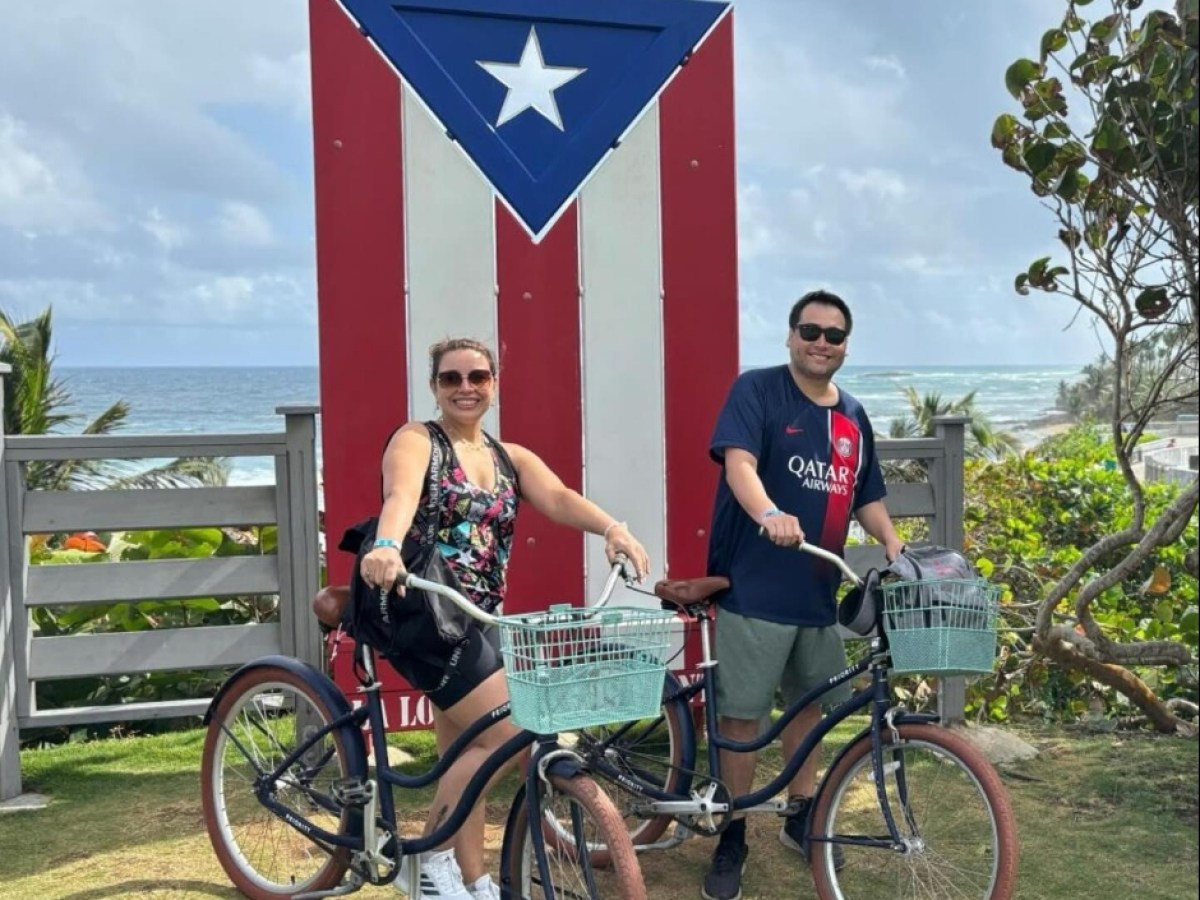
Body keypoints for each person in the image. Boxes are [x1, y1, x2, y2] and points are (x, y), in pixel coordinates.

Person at [357, 337, 650, 900]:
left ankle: (471, 880)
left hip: (480, 618)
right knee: (507, 736)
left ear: (494, 383)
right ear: (434, 386)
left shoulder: (506, 455)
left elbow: (560, 497)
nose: (465, 388)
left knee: (465, 752)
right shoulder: (418, 440)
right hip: (425, 611)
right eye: (451, 379)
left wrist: (612, 528)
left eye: (478, 377)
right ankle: (425, 861)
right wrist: (388, 544)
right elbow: (401, 493)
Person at [701, 291, 903, 900]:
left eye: (834, 335)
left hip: (819, 589)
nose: (822, 343)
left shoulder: (854, 416)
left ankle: (799, 813)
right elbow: (739, 465)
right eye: (810, 331)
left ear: (846, 345)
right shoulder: (758, 390)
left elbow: (865, 494)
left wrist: (896, 545)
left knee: (809, 710)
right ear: (790, 336)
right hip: (755, 587)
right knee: (742, 716)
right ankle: (732, 829)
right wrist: (768, 512)